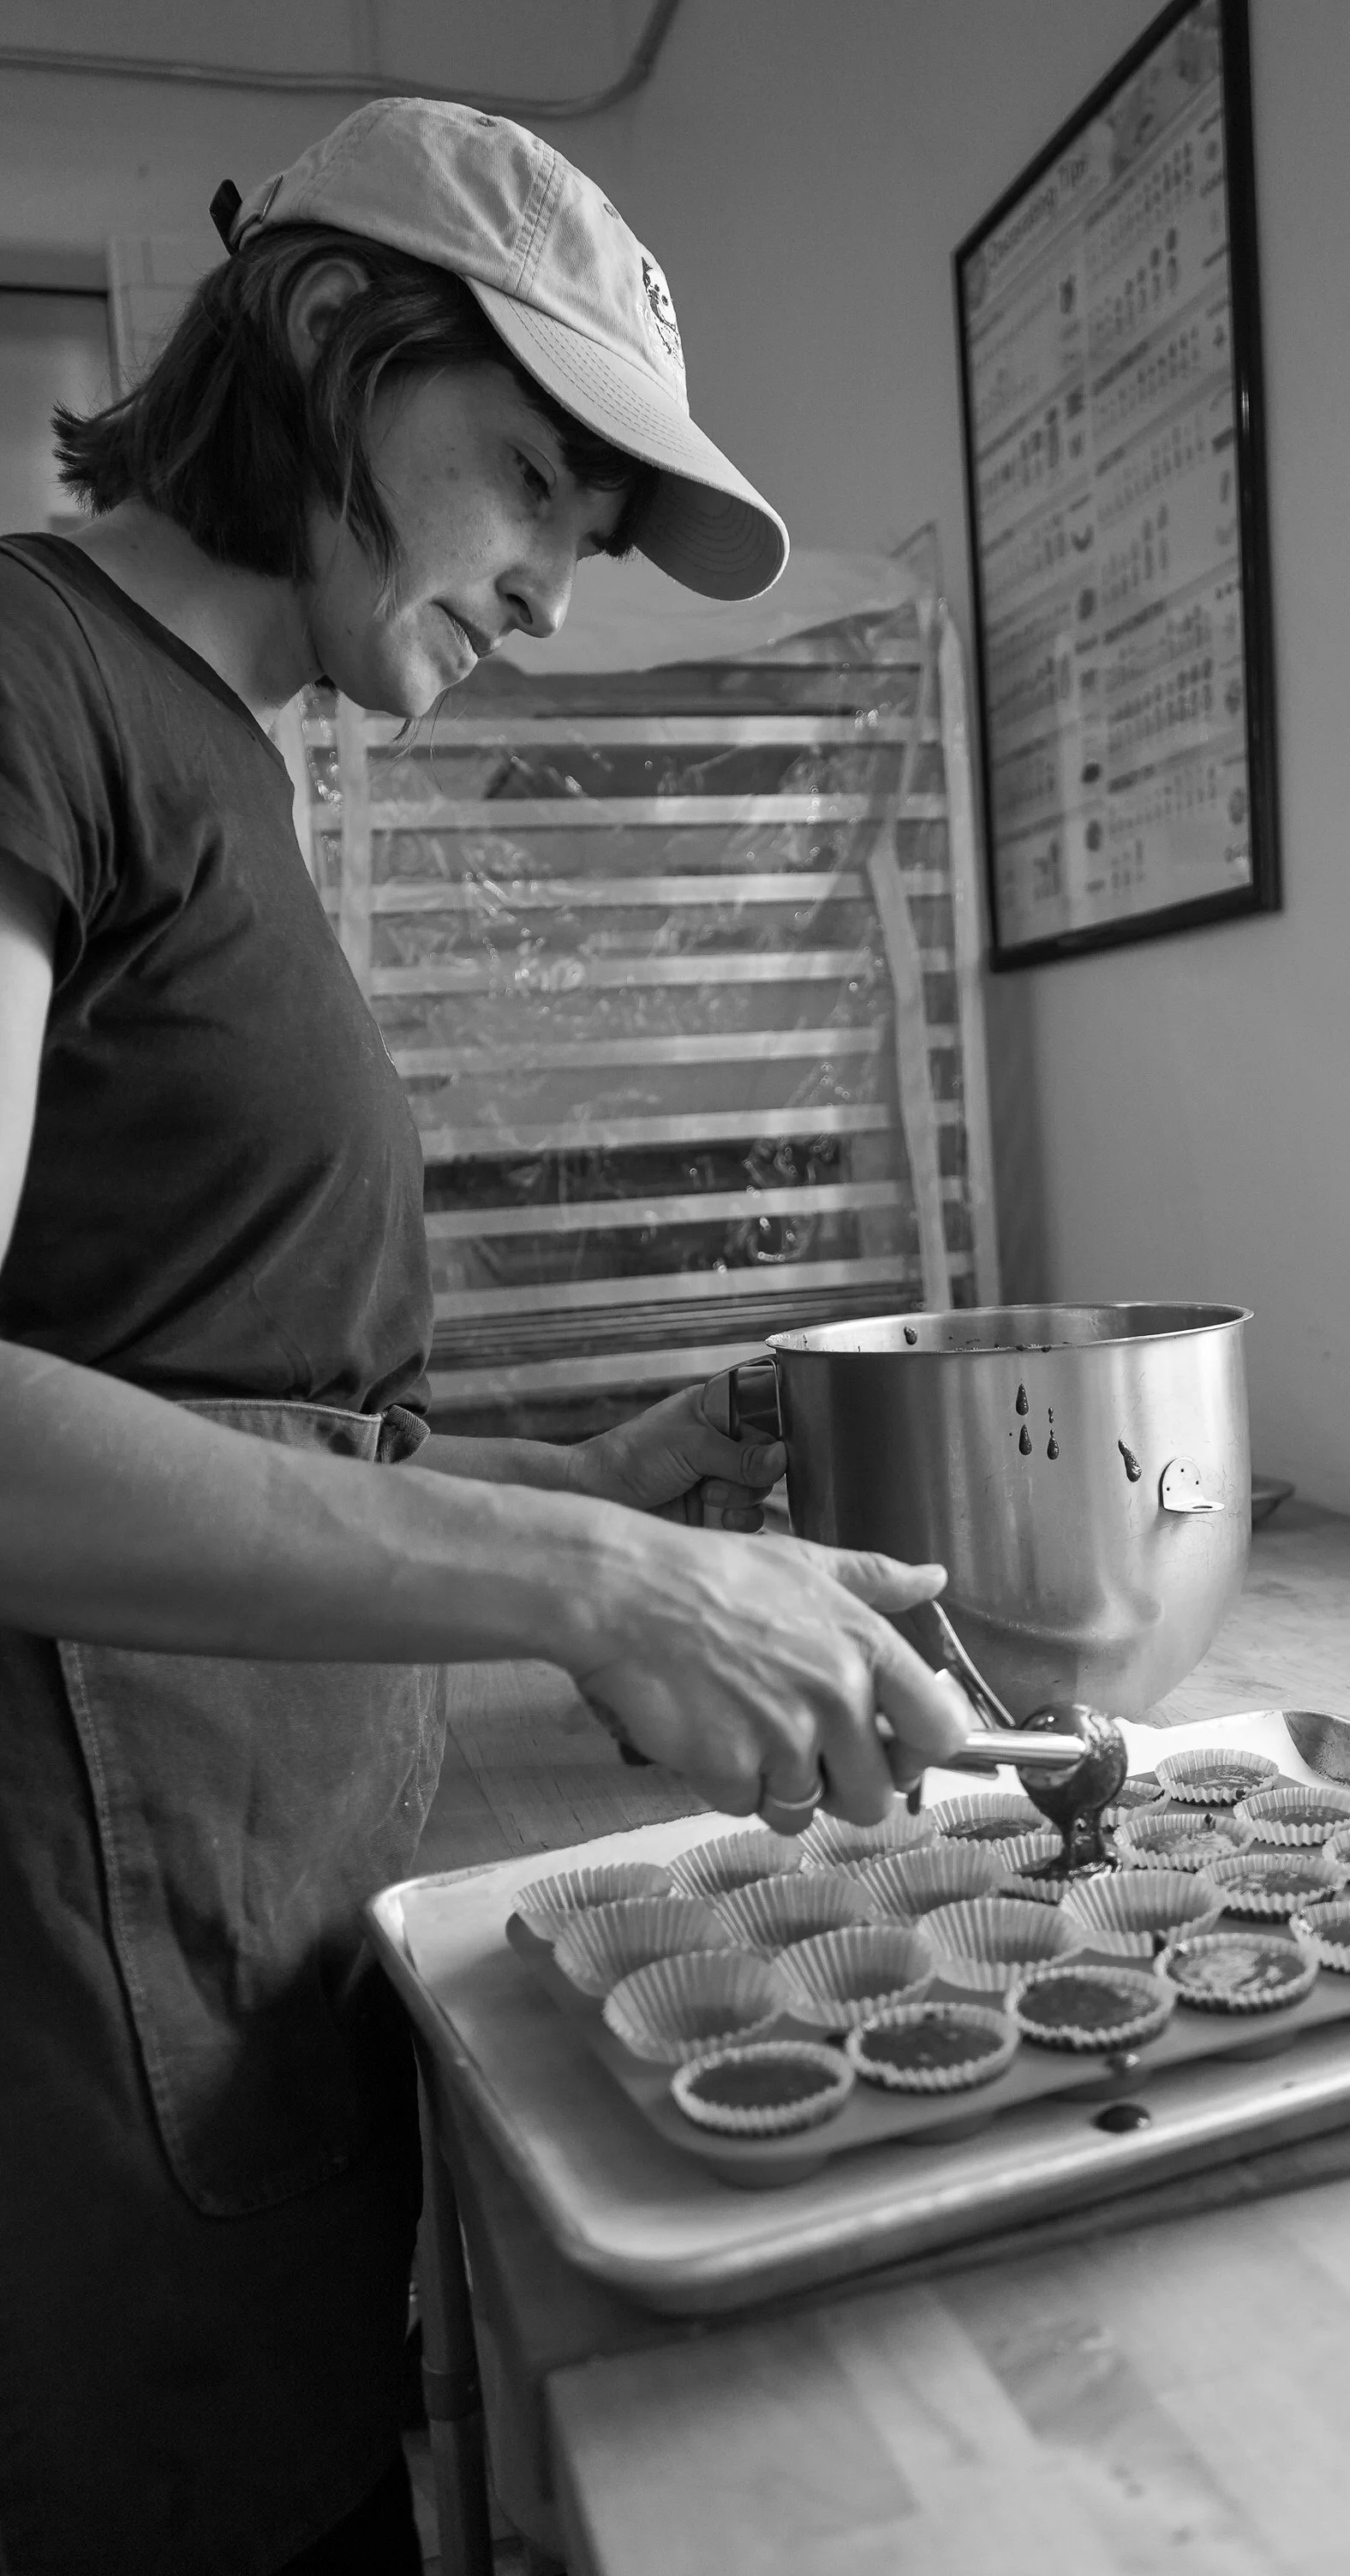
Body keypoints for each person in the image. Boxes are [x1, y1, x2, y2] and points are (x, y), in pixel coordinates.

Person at [0, 98, 966, 2576]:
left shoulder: (218, 759)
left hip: (221, 1965)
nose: (552, 586)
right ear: (331, 336)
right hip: (70, 2068)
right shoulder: (29, 677)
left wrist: (599, 1488)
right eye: (536, 481)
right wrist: (599, 1593)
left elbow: (202, 1391)